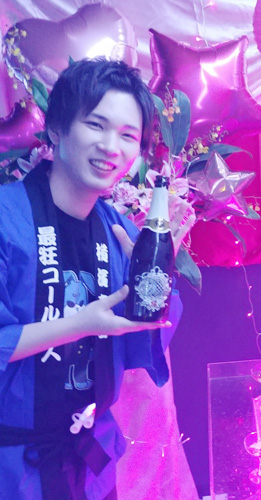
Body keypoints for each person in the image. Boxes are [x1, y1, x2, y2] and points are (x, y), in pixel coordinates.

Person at [0, 58, 193, 499]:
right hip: (11, 467)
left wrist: (154, 282)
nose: (111, 146)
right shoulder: (6, 218)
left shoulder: (117, 229)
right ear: (56, 129)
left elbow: (139, 342)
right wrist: (81, 324)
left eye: (128, 135)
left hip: (90, 460)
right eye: (95, 125)